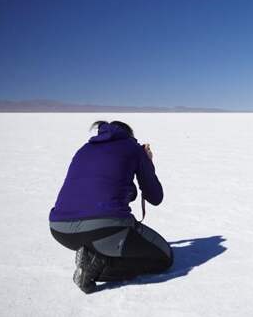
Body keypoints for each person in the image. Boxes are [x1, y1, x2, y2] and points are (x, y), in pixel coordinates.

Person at [49, 121, 173, 293]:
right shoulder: (132, 147)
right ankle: (96, 265)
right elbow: (155, 197)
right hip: (105, 228)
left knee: (105, 240)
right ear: (129, 135)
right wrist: (147, 161)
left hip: (60, 229)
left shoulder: (83, 149)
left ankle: (93, 257)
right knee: (165, 258)